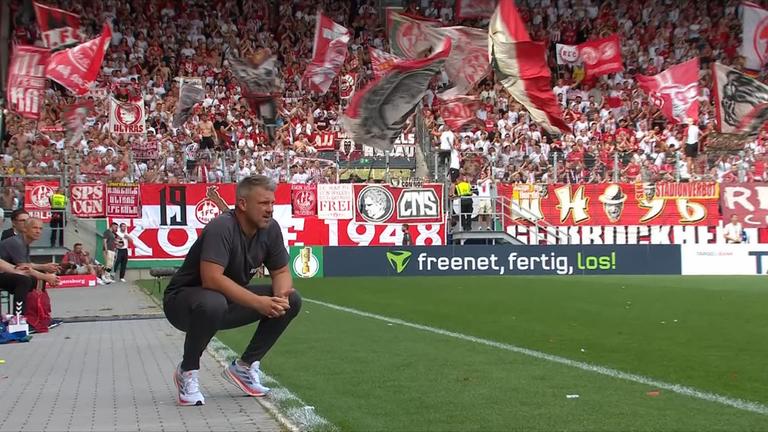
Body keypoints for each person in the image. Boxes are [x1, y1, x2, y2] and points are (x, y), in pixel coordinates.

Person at [163, 175, 301, 406]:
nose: (270, 209)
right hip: (183, 303)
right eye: (263, 203)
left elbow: (281, 272)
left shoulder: (270, 229)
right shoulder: (222, 227)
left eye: (272, 203)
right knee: (213, 301)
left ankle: (244, 367)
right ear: (242, 204)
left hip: (222, 302)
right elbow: (212, 279)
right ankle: (187, 371)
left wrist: (281, 297)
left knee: (292, 300)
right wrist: (259, 303)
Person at [0, 218, 61, 315]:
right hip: (4, 273)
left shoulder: (24, 243)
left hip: (8, 271)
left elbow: (26, 265)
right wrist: (47, 277)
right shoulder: (16, 243)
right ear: (25, 229)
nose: (38, 231)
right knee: (24, 280)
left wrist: (44, 268)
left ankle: (39, 315)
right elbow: (24, 268)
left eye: (40, 228)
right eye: (35, 228)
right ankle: (19, 317)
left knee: (36, 277)